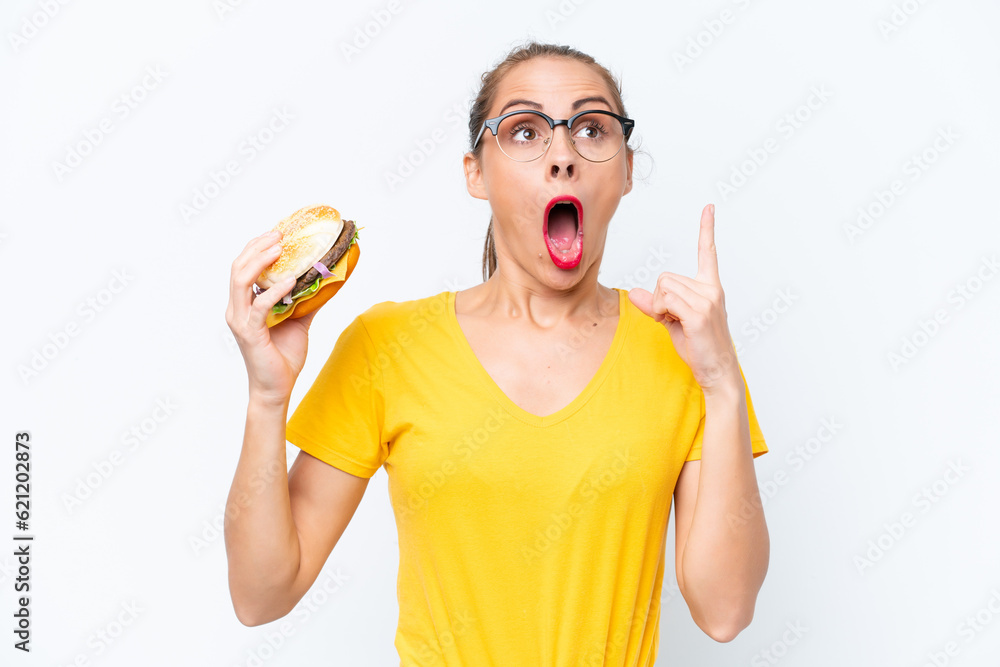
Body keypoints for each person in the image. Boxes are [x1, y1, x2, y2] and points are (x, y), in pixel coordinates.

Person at [224, 41, 770, 665]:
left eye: (592, 129)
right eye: (525, 131)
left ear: (624, 169)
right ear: (475, 172)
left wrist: (722, 382)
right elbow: (261, 596)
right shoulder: (389, 346)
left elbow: (724, 612)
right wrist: (267, 397)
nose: (562, 156)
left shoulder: (688, 355)